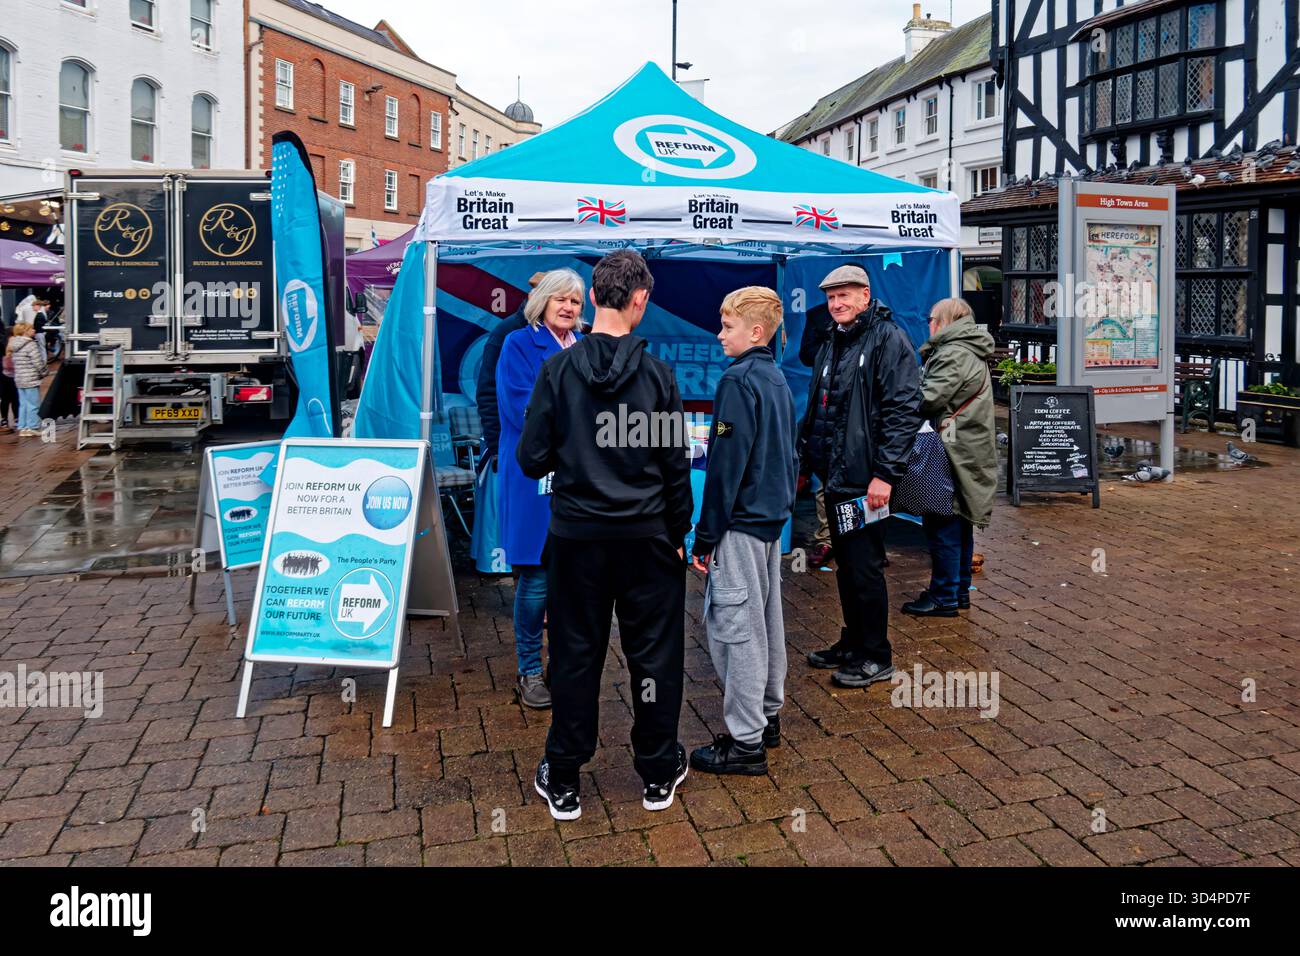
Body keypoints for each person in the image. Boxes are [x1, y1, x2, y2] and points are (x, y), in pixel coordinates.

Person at [518, 249, 693, 820]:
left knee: (575, 655)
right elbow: (675, 466)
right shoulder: (659, 376)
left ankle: (564, 774)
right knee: (654, 657)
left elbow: (530, 458)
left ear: (593, 297)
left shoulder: (557, 370)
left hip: (577, 538)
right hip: (646, 540)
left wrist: (575, 458)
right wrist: (678, 532)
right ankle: (658, 770)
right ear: (640, 301)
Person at [689, 287, 797, 776]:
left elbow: (725, 466)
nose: (719, 334)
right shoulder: (775, 377)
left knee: (737, 631)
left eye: (726, 325)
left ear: (755, 331)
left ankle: (746, 741)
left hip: (739, 525)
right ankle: (765, 718)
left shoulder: (738, 381)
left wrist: (705, 536)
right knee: (765, 621)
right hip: (770, 522)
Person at [798, 264, 921, 689]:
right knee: (847, 566)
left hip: (866, 483)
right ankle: (852, 642)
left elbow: (903, 411)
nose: (837, 304)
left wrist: (885, 476)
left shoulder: (889, 339)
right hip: (836, 478)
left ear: (866, 296)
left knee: (865, 567)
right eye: (832, 297)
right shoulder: (835, 338)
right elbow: (823, 404)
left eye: (845, 295)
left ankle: (876, 654)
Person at [495, 269, 585, 708]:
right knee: (535, 580)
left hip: (579, 479)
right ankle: (529, 670)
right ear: (543, 302)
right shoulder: (518, 344)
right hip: (535, 477)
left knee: (573, 579)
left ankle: (562, 667)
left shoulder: (585, 348)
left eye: (576, 302)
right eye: (561, 300)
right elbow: (521, 409)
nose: (569, 308)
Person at [902, 297, 996, 616]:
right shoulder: (970, 348)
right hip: (967, 444)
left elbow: (929, 399)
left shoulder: (952, 352)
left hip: (950, 447)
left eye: (931, 318)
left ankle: (944, 596)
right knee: (959, 520)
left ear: (943, 321)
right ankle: (959, 591)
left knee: (942, 522)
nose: (928, 324)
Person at [476, 272, 545, 467]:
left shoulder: (570, 335)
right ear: (532, 297)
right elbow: (487, 391)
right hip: (513, 441)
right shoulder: (508, 332)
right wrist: (496, 446)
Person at [8, 322, 47, 437]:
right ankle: (33, 426)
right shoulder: (30, 344)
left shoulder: (14, 344)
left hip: (19, 378)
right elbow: (37, 362)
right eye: (31, 329)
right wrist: (44, 372)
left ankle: (23, 427)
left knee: (23, 404)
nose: (34, 330)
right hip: (30, 378)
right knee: (33, 404)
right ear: (25, 331)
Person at [0, 323, 19, 433]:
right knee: (13, 397)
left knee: (6, 398)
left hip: (5, 372)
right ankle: (15, 418)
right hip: (9, 373)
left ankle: (5, 420)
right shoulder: (9, 342)